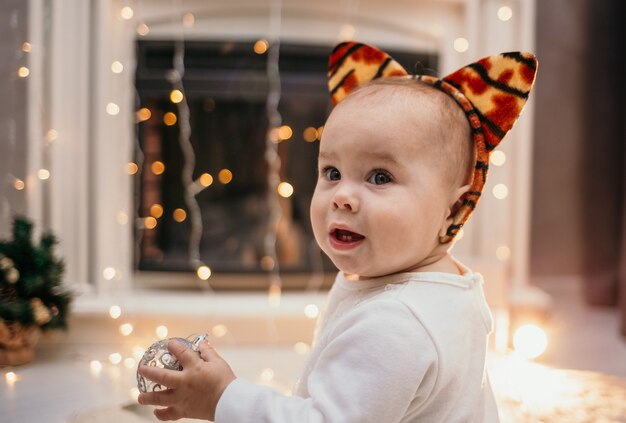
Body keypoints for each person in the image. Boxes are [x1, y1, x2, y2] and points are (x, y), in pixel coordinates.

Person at [137, 42, 538, 422]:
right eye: (331, 172)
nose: (343, 195)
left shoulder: (396, 324)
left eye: (380, 177)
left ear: (453, 207)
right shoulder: (445, 287)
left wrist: (223, 398)